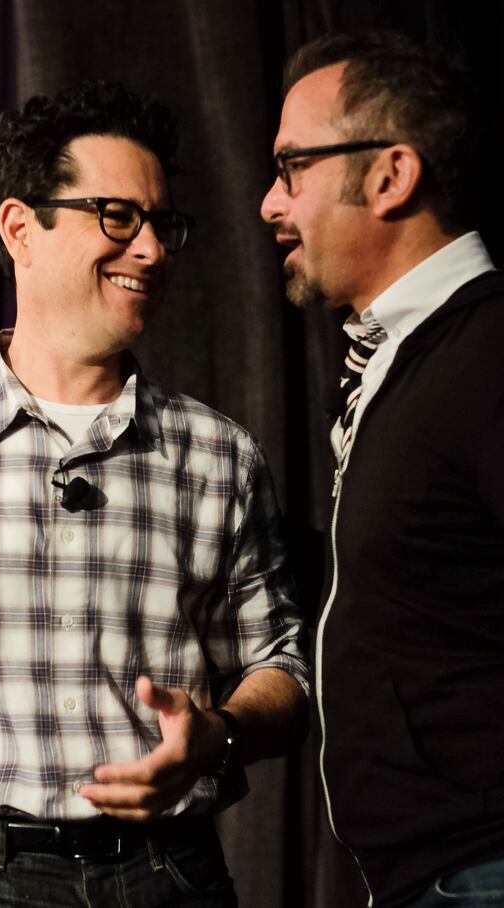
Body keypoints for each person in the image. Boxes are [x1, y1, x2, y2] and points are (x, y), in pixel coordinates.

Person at [0, 80, 308, 907]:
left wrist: (219, 735)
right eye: (117, 216)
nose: (152, 250)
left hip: (167, 874)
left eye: (162, 223)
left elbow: (285, 668)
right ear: (22, 228)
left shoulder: (219, 454)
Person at [261, 29, 504, 908]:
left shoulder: (485, 351)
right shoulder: (406, 359)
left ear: (390, 176)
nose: (267, 204)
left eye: (292, 167)